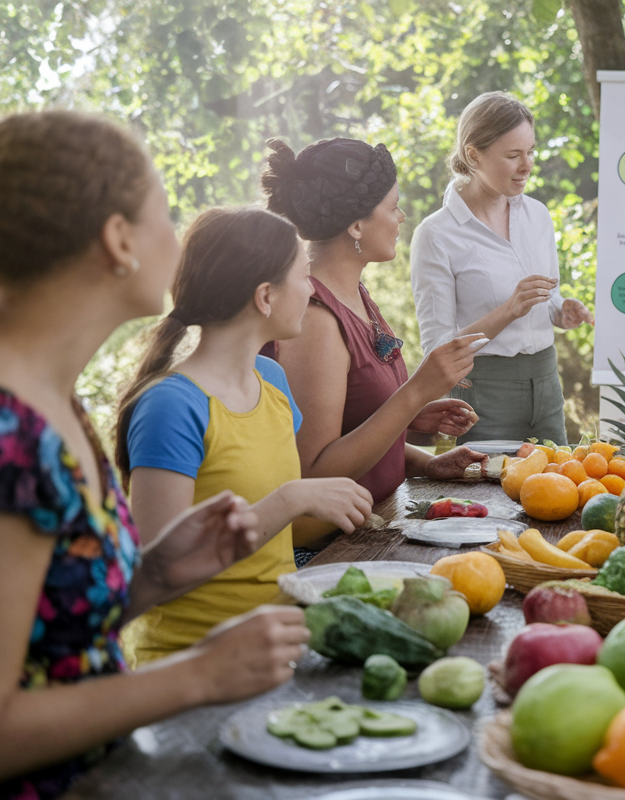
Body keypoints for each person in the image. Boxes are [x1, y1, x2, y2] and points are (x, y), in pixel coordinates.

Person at [0, 111, 307, 800]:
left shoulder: (54, 402)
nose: (179, 240)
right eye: (165, 214)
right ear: (118, 240)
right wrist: (198, 675)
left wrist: (156, 574)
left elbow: (51, 642)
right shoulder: (10, 433)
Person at [112, 207, 375, 665]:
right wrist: (290, 499)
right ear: (265, 296)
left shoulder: (271, 379)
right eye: (304, 276)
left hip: (276, 650)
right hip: (189, 667)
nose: (312, 289)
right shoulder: (172, 406)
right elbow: (160, 570)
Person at [261, 136, 485, 546]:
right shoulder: (315, 319)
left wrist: (425, 463)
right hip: (326, 553)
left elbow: (354, 424)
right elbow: (313, 474)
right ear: (357, 225)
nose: (401, 217)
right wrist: (415, 393)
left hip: (374, 525)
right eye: (392, 206)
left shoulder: (356, 294)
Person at [410, 91, 594, 445]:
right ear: (473, 155)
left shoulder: (538, 216)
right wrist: (508, 310)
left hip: (546, 384)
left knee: (558, 493)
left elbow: (548, 296)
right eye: (513, 155)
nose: (527, 166)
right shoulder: (436, 234)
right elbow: (438, 350)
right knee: (490, 498)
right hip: (483, 395)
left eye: (531, 151)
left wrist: (560, 309)